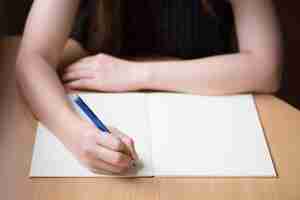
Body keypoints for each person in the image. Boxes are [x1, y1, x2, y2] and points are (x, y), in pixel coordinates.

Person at [16, 0, 282, 174]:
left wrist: (135, 73)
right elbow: (32, 58)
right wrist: (74, 133)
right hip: (100, 92)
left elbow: (266, 67)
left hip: (210, 105)